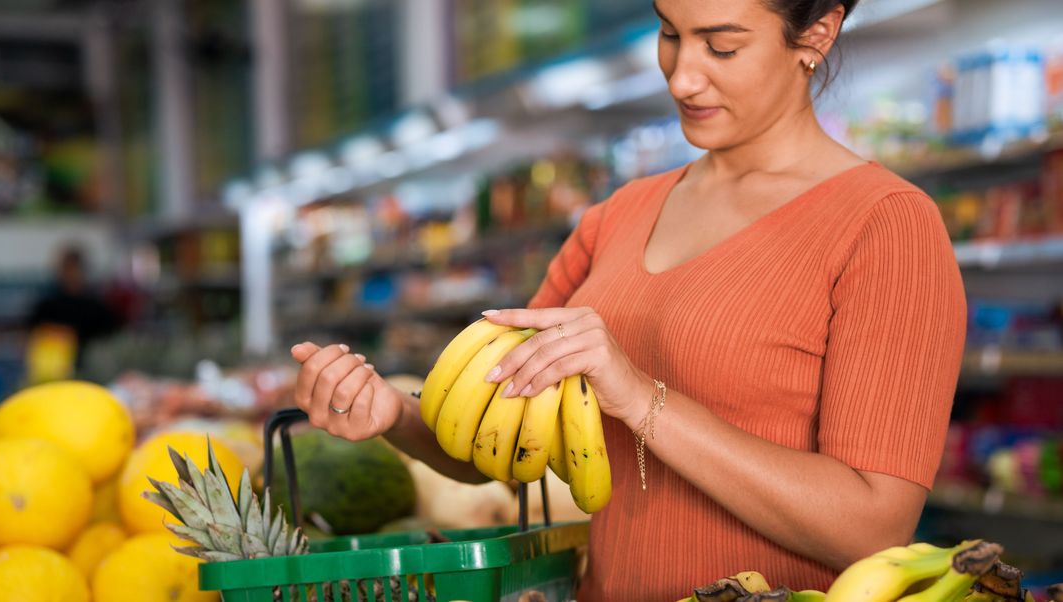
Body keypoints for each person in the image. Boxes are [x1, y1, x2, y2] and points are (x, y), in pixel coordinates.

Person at [290, 0, 967, 599]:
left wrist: (640, 398)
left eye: (722, 46)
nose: (682, 76)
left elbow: (872, 527)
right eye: (670, 34)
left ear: (816, 34)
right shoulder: (617, 216)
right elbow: (497, 444)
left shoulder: (885, 225)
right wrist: (395, 417)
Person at [26, 245, 119, 378]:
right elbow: (33, 334)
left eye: (73, 268)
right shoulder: (47, 305)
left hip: (91, 371)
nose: (69, 273)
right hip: (55, 371)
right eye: (66, 268)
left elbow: (110, 338)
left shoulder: (97, 306)